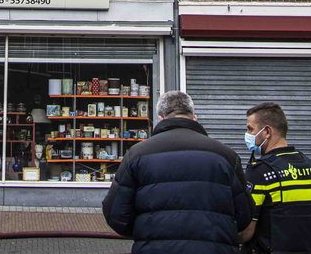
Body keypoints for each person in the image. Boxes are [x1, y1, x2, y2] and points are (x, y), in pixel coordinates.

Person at [103, 90, 253, 254]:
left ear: (160, 118)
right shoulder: (226, 155)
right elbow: (244, 215)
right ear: (194, 117)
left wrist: (146, 230)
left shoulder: (137, 154)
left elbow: (116, 215)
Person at [238, 102, 311, 254]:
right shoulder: (309, 166)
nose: (247, 134)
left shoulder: (260, 171)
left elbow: (247, 231)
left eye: (250, 129)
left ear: (267, 132)